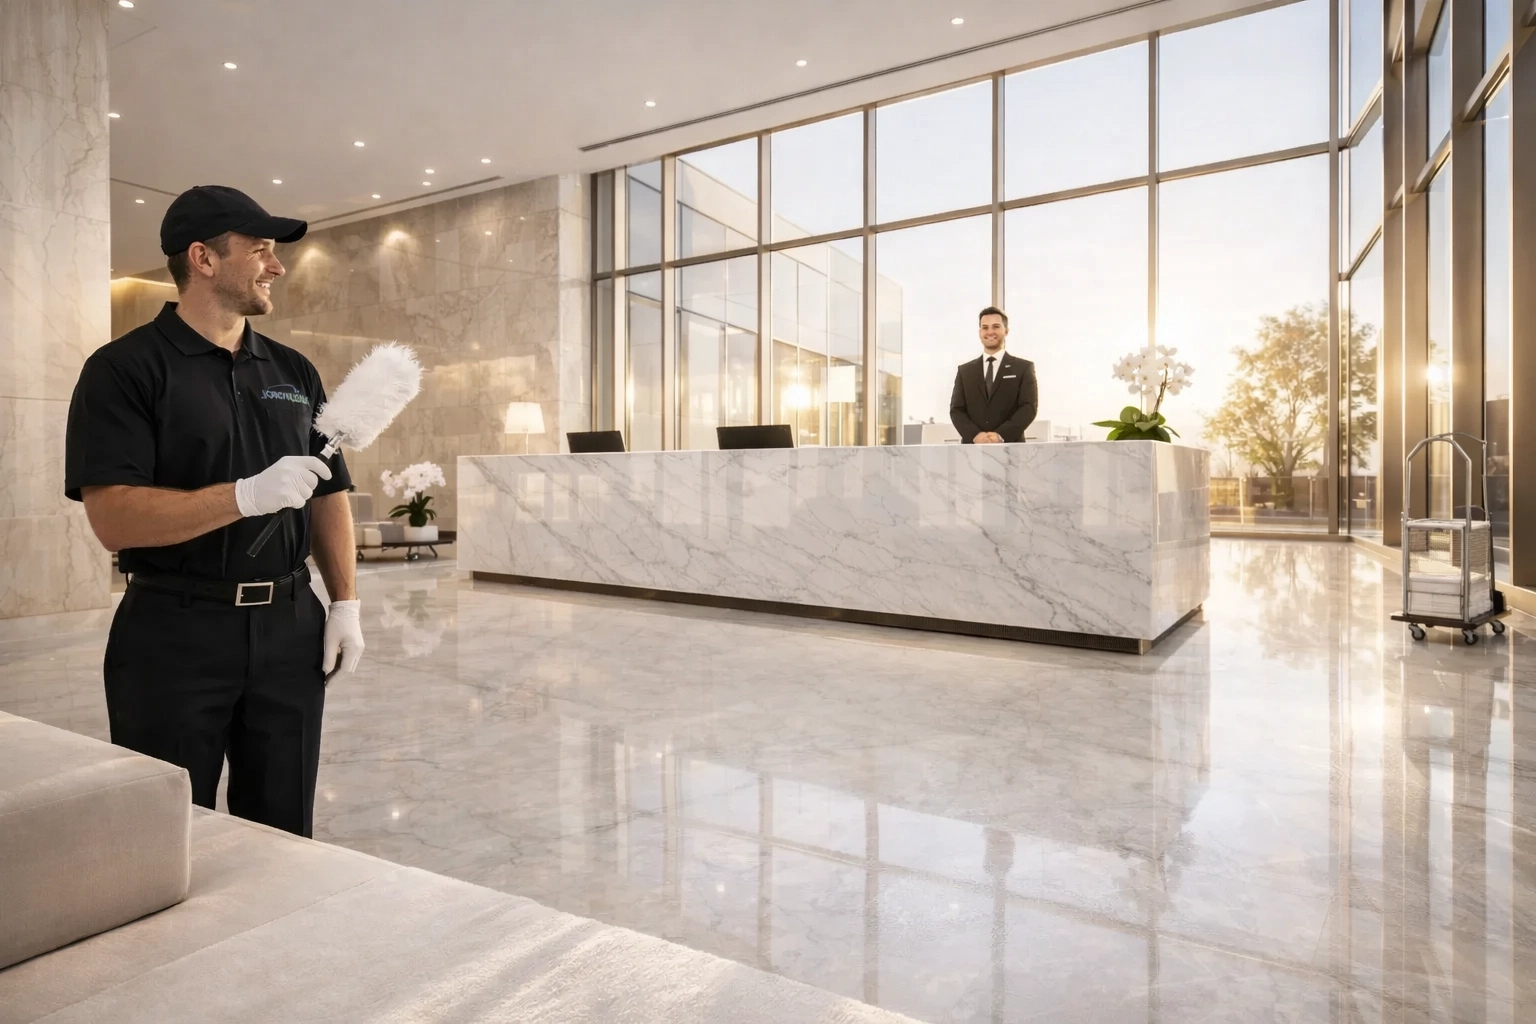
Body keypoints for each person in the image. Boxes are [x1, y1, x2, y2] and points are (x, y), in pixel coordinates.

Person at [64, 185, 365, 838]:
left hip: (290, 630)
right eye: (260, 250)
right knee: (167, 835)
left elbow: (331, 491)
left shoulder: (294, 370)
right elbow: (113, 517)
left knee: (284, 833)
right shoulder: (124, 371)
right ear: (202, 258)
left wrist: (344, 601)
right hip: (173, 633)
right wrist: (244, 496)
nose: (277, 266)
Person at [949, 306, 1038, 444]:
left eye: (996, 326)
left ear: (1006, 331)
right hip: (972, 450)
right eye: (985, 327)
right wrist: (975, 435)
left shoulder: (1023, 368)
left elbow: (1028, 408)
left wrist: (1001, 435)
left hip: (1011, 449)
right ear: (979, 332)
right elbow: (956, 410)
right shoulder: (964, 371)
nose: (990, 331)